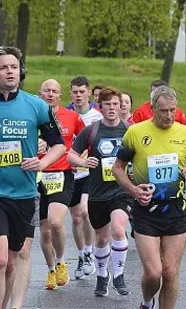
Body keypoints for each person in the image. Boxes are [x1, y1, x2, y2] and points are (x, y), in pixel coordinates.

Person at [0, 46, 66, 309]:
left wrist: (42, 162)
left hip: (24, 193)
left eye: (14, 67)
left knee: (11, 260)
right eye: (3, 67)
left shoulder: (36, 105)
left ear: (21, 71)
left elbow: (58, 145)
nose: (10, 72)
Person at [113, 85, 186, 309]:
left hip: (176, 209)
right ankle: (147, 301)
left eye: (173, 110)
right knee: (154, 273)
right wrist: (134, 190)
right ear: (152, 108)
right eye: (163, 110)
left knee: (170, 272)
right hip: (145, 210)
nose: (169, 115)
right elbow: (118, 168)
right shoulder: (135, 132)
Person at [70, 86, 134, 297]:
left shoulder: (129, 129)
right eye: (108, 104)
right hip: (98, 191)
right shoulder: (92, 131)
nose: (113, 108)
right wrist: (83, 161)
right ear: (101, 106)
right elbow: (71, 154)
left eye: (116, 104)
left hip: (121, 190)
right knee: (102, 237)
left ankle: (119, 275)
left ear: (121, 106)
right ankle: (102, 275)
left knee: (118, 229)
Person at [36, 78, 84, 290]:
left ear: (60, 96)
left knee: (56, 222)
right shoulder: (31, 116)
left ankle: (61, 260)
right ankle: (50, 270)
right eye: (46, 90)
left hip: (62, 175)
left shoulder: (72, 117)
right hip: (37, 177)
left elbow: (85, 141)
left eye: (54, 91)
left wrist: (79, 160)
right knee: (45, 231)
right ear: (40, 94)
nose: (50, 94)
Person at [69, 75, 102, 279]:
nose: (78, 96)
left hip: (90, 172)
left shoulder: (97, 117)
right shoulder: (64, 115)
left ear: (89, 92)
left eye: (82, 92)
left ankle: (89, 251)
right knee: (75, 217)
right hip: (70, 172)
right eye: (75, 92)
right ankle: (81, 255)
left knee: (85, 211)